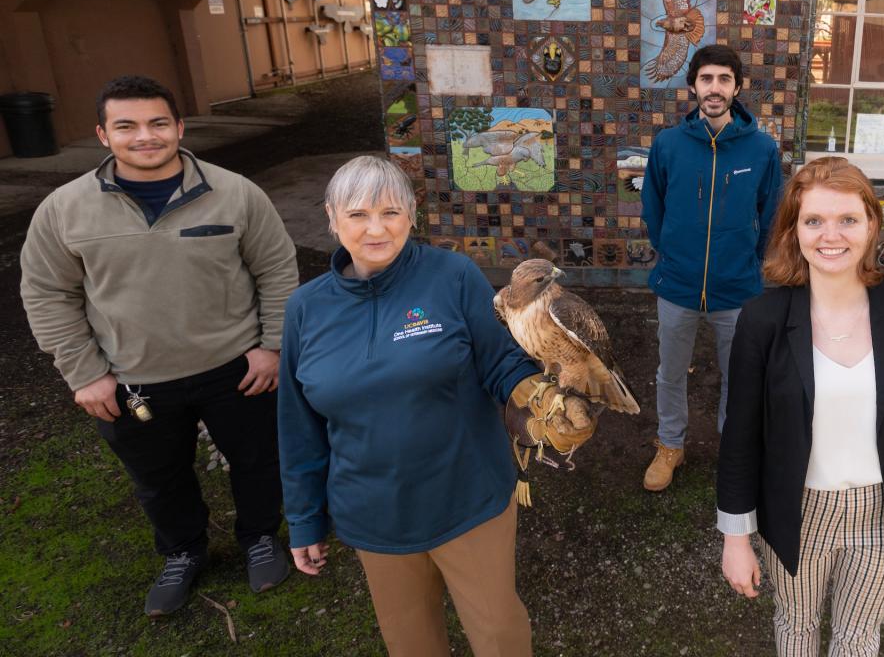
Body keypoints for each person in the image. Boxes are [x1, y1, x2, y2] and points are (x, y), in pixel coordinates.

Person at [19, 75, 298, 616]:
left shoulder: (235, 193)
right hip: (130, 379)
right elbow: (47, 293)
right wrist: (83, 372)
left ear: (179, 128)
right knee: (158, 476)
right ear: (103, 134)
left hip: (237, 368)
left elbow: (277, 269)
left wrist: (274, 346)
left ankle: (261, 538)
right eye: (127, 126)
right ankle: (183, 551)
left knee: (258, 460)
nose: (144, 136)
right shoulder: (64, 209)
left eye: (157, 124)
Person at [277, 156, 568, 657]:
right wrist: (304, 517)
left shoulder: (452, 275)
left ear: (412, 215)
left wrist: (539, 399)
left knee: (499, 633)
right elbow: (298, 424)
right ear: (331, 217)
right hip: (374, 510)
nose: (375, 228)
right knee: (409, 640)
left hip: (465, 494)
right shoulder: (306, 308)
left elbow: (500, 363)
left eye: (390, 212)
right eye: (357, 214)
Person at [718, 157, 884, 655]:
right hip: (798, 508)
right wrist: (736, 537)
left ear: (871, 224)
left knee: (858, 635)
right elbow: (740, 434)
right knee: (797, 626)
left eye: (847, 219)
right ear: (793, 230)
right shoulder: (763, 319)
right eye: (814, 220)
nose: (831, 235)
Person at [639, 44, 782, 492]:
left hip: (736, 288)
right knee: (670, 371)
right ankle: (670, 444)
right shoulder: (668, 145)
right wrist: (673, 254)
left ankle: (734, 448)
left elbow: (771, 211)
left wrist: (749, 262)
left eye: (724, 79)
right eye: (706, 79)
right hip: (677, 285)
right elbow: (653, 207)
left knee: (738, 375)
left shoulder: (761, 149)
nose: (714, 88)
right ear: (693, 87)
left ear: (737, 88)